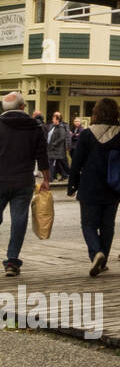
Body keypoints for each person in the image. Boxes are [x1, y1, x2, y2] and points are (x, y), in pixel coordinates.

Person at [67, 98, 120, 277]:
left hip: (90, 185)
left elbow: (77, 162)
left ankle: (97, 253)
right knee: (107, 226)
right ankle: (103, 261)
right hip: (113, 185)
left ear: (96, 112)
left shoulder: (87, 134)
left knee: (88, 224)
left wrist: (72, 185)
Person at [0, 91, 51, 277]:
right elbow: (42, 156)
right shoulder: (34, 127)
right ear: (23, 107)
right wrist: (46, 179)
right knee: (19, 220)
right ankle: (12, 261)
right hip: (23, 181)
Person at [46, 111, 70, 183]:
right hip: (51, 147)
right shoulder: (53, 126)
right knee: (58, 163)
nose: (52, 120)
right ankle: (64, 175)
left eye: (54, 119)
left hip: (57, 149)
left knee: (51, 162)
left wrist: (54, 143)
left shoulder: (61, 127)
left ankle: (51, 178)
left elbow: (62, 137)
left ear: (57, 120)